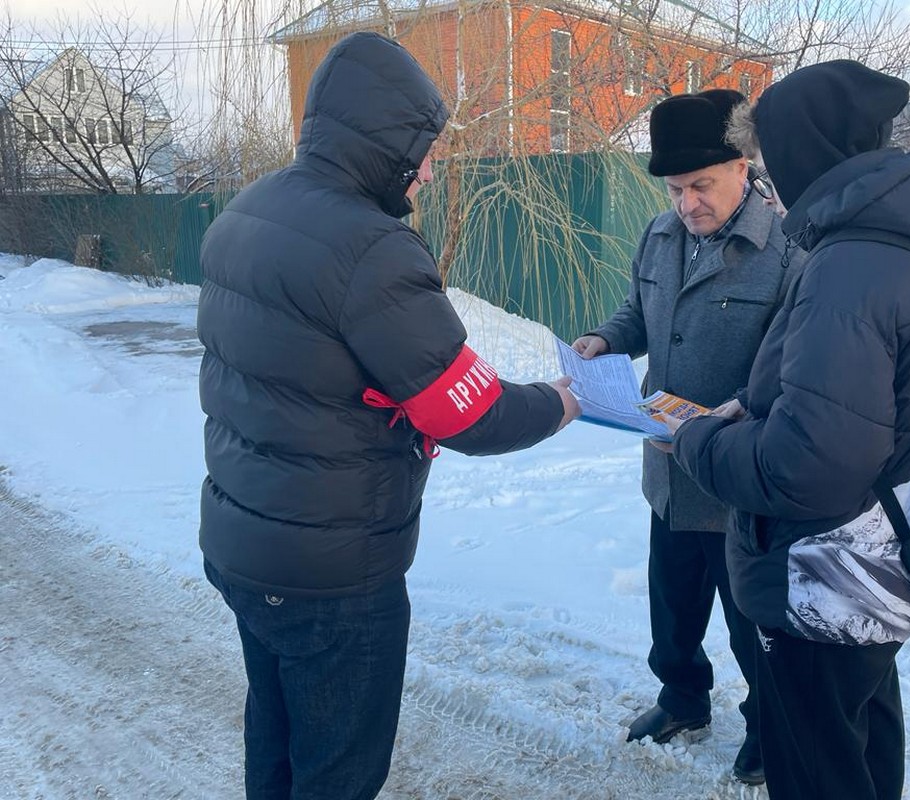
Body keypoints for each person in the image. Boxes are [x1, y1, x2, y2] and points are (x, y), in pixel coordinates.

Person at [196, 32, 579, 800]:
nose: (431, 170)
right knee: (337, 771)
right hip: (333, 577)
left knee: (274, 744)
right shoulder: (371, 250)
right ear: (386, 143)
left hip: (245, 546)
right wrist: (565, 402)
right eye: (425, 150)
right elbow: (470, 414)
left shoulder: (248, 211)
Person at [665, 60, 910, 799]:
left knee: (816, 770)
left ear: (797, 152)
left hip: (824, 575)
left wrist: (698, 440)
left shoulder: (848, 266)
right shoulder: (906, 242)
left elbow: (806, 465)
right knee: (860, 745)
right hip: (876, 566)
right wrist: (754, 411)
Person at [572, 89, 798, 785]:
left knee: (750, 623)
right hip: (666, 473)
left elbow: (791, 368)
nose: (687, 203)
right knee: (672, 614)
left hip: (737, 481)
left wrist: (721, 422)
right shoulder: (659, 235)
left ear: (742, 167)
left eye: (701, 185)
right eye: (675, 188)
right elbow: (637, 310)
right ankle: (681, 701)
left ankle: (771, 727)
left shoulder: (787, 248)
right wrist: (604, 339)